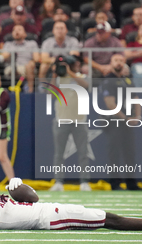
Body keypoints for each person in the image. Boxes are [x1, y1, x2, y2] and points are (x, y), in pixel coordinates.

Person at [0, 166, 142, 231]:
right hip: (50, 219)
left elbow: (33, 198)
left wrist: (19, 187)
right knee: (108, 219)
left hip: (48, 211)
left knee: (105, 218)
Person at [99, 54, 142, 191]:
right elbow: (110, 104)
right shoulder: (108, 81)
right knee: (115, 152)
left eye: (121, 61)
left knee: (130, 152)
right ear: (111, 63)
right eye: (116, 61)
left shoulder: (127, 80)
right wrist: (125, 119)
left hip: (128, 122)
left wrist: (138, 116)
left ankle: (131, 183)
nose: (118, 63)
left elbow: (136, 99)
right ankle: (115, 183)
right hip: (114, 122)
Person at [48, 55, 91, 191]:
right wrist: (55, 74)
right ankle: (58, 182)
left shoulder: (81, 77)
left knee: (83, 152)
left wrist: (71, 73)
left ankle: (84, 182)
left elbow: (86, 86)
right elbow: (51, 93)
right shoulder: (59, 79)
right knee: (59, 153)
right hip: (61, 120)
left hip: (80, 121)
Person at [0, 25, 40, 93]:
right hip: (11, 67)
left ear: (25, 34)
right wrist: (7, 55)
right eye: (14, 30)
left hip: (27, 67)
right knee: (12, 68)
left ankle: (30, 91)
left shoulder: (32, 44)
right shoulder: (8, 44)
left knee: (29, 66)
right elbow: (2, 57)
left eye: (19, 29)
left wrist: (32, 62)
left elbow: (37, 58)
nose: (16, 31)